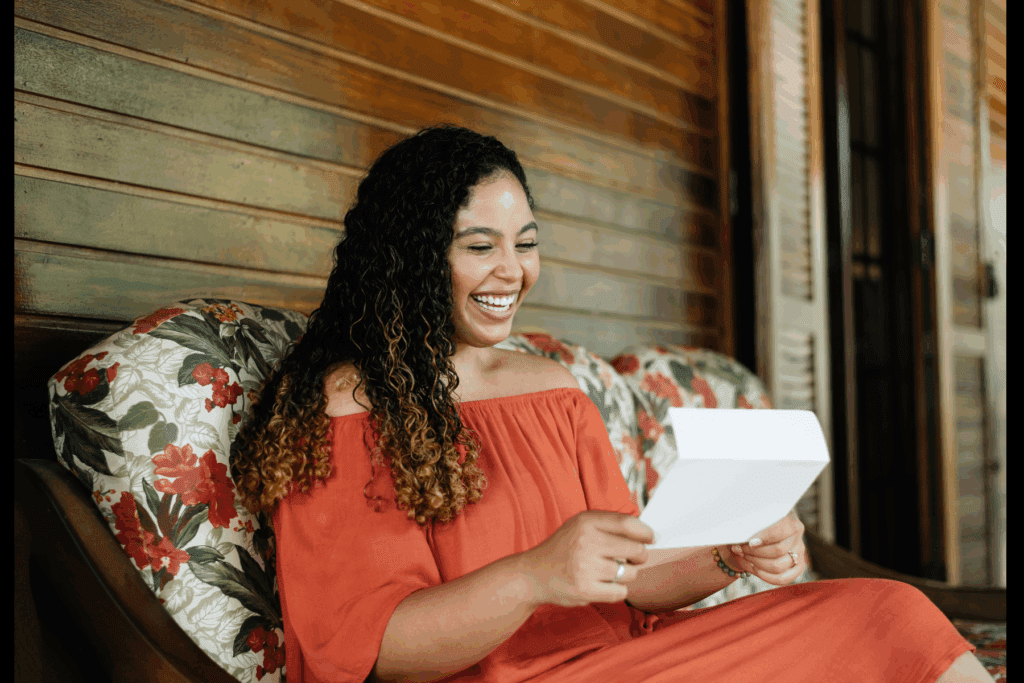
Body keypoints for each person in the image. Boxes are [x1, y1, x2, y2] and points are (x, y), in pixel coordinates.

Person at [231, 125, 990, 683]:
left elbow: (633, 577)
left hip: (622, 661)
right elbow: (369, 651)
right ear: (410, 254)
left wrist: (730, 551)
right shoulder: (343, 409)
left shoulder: (554, 391)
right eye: (479, 245)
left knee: (889, 612)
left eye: (525, 243)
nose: (513, 270)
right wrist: (534, 576)